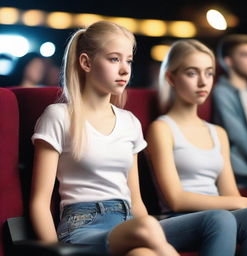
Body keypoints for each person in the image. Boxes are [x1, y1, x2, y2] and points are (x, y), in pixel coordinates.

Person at [29, 21, 179, 256]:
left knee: (144, 253)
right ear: (86, 62)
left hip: (128, 222)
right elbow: (39, 202)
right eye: (113, 59)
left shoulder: (130, 122)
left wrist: (145, 232)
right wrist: (55, 252)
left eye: (128, 60)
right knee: (148, 226)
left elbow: (136, 200)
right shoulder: (58, 116)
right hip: (81, 228)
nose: (125, 70)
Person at [146, 39, 247, 255]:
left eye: (209, 73)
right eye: (192, 73)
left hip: (221, 216)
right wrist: (246, 201)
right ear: (171, 77)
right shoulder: (161, 129)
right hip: (180, 220)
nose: (203, 82)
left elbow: (230, 194)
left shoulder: (218, 133)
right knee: (223, 217)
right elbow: (175, 200)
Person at [212, 34, 247, 190]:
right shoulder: (222, 92)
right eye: (245, 55)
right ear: (228, 61)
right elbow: (239, 138)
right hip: (244, 171)